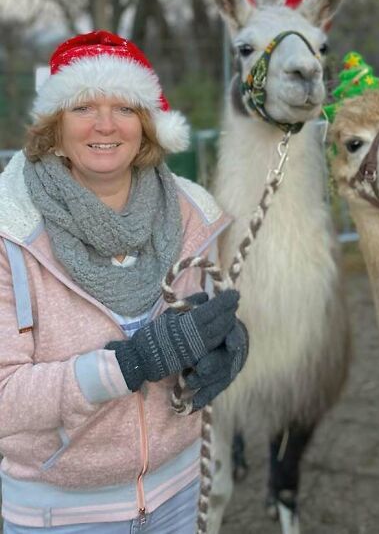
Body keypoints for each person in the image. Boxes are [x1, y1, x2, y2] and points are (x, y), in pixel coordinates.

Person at [0, 30, 248, 532]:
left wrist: (227, 346)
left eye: (125, 108)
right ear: (53, 126)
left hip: (181, 491)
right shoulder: (10, 231)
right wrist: (129, 364)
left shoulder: (193, 214)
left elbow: (202, 315)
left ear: (148, 124)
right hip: (61, 512)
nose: (106, 125)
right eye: (83, 107)